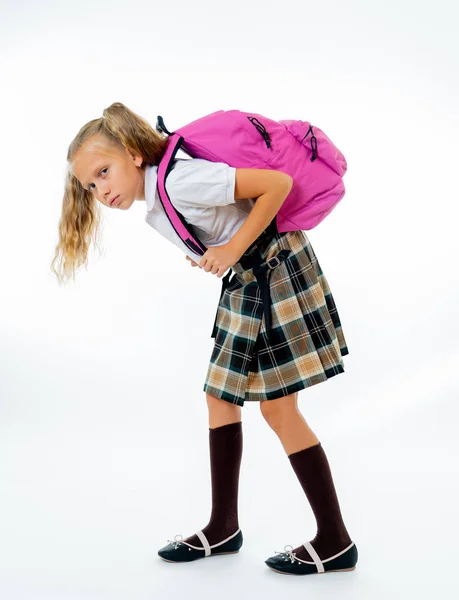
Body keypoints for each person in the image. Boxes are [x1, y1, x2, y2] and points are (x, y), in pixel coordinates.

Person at [51, 101, 358, 576]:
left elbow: (277, 185)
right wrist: (216, 248)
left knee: (278, 409)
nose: (100, 190)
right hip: (248, 277)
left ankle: (334, 541)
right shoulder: (161, 196)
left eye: (104, 172)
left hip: (274, 268)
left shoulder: (179, 180)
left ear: (134, 154)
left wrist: (231, 247)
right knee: (221, 399)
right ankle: (224, 526)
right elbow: (223, 220)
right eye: (91, 185)